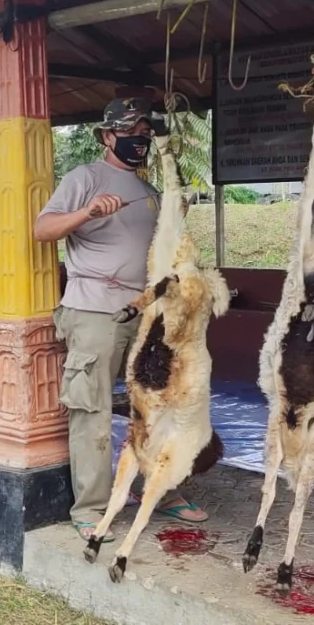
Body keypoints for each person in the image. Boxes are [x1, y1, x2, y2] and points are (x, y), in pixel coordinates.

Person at [33, 97, 207, 542]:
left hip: (148, 314)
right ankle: (90, 507)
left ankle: (162, 490)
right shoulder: (85, 178)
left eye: (145, 133)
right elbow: (42, 229)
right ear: (108, 136)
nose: (139, 140)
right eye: (130, 132)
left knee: (161, 402)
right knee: (91, 408)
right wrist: (87, 212)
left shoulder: (149, 192)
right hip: (95, 310)